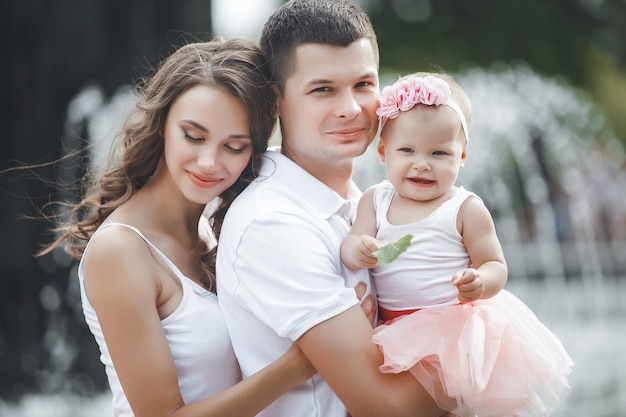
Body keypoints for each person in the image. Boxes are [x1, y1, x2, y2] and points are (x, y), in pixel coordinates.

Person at [39, 38, 318, 417]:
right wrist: (299, 364)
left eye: (234, 146)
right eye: (193, 135)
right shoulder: (121, 251)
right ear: (162, 124)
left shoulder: (218, 230)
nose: (209, 162)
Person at [216, 1, 445, 416]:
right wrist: (482, 352)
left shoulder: (366, 205)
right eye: (323, 89)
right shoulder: (273, 222)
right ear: (275, 101)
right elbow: (384, 407)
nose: (351, 108)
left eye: (363, 84)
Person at [341, 71, 574, 416]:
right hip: (393, 328)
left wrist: (480, 283)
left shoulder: (464, 209)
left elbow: (495, 265)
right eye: (407, 150)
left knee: (456, 406)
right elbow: (350, 245)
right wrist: (359, 249)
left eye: (439, 153)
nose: (422, 163)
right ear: (383, 151)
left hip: (451, 331)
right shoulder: (375, 200)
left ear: (461, 157)